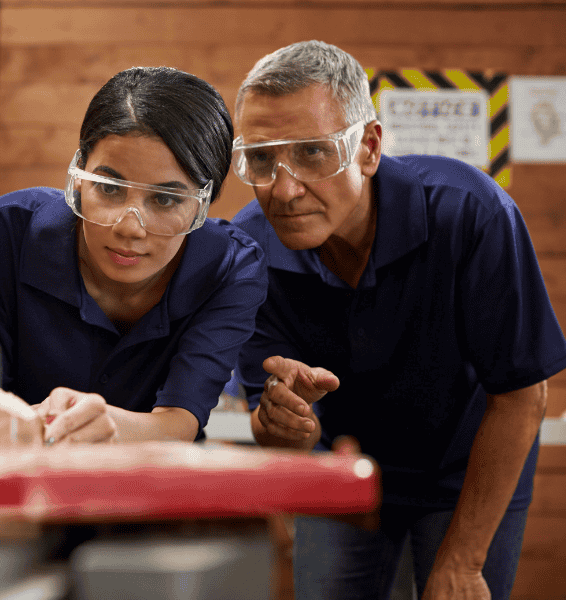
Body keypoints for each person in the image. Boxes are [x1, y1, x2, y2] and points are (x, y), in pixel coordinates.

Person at [230, 41, 566, 600]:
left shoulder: (470, 213)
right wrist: (288, 430)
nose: (283, 190)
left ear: (368, 147)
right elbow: (278, 434)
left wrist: (462, 562)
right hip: (348, 476)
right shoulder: (247, 254)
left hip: (469, 469)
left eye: (313, 152)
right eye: (261, 159)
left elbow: (522, 394)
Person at [0, 66, 267, 445]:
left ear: (204, 204)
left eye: (164, 199)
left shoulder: (232, 267)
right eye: (110, 189)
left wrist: (109, 427)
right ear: (80, 174)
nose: (130, 227)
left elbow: (181, 421)